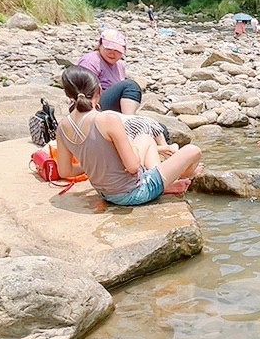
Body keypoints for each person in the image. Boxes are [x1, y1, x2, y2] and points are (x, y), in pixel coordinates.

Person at [55, 65, 205, 206]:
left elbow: (65, 171)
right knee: (193, 151)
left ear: (68, 95)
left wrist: (94, 164)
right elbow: (133, 166)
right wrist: (131, 146)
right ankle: (186, 175)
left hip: (106, 194)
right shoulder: (107, 119)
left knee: (145, 138)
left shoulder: (62, 127)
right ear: (99, 90)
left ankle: (165, 183)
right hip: (134, 193)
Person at [79, 29, 142, 115]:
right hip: (89, 107)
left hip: (110, 109)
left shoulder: (120, 65)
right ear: (100, 45)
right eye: (109, 49)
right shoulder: (91, 61)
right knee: (130, 86)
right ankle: (129, 121)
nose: (112, 53)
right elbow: (84, 92)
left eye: (117, 50)